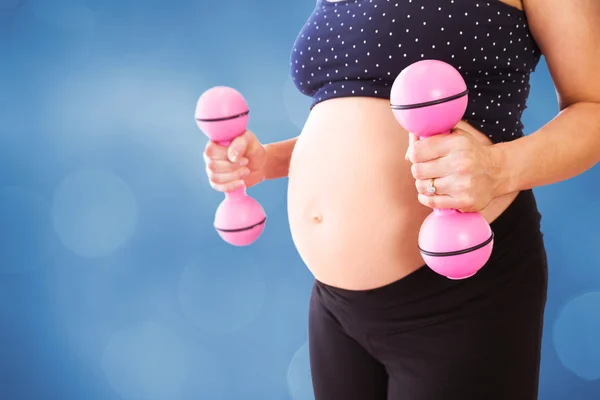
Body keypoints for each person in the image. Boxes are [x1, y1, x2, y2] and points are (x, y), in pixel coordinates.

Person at [203, 0, 600, 398]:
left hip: (458, 296)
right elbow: (354, 113)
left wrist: (499, 168)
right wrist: (266, 161)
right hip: (335, 308)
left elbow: (593, 108)